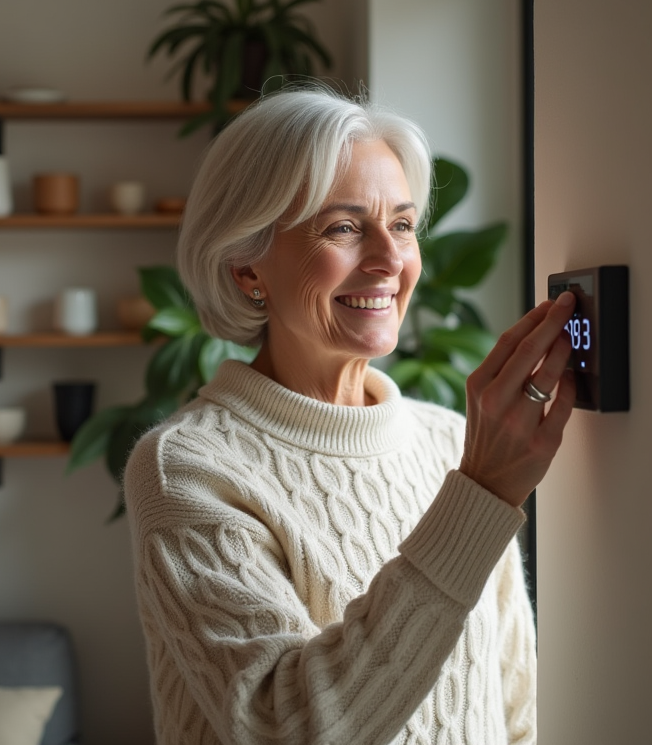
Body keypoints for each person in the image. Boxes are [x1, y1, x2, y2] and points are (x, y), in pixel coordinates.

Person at [124, 87, 577, 744]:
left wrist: (476, 486)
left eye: (401, 224)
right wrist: (478, 497)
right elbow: (287, 727)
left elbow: (515, 709)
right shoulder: (187, 471)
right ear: (248, 268)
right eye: (343, 226)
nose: (391, 261)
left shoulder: (453, 441)